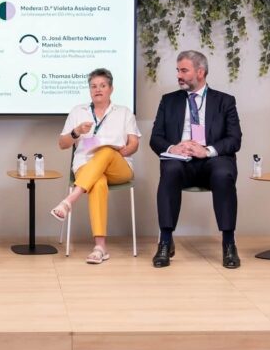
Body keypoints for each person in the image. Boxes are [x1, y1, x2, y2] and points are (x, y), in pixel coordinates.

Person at [149, 50, 242, 269]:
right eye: (178, 70)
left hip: (212, 160)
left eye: (184, 70)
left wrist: (206, 150)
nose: (178, 75)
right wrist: (173, 147)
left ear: (200, 72)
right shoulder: (169, 101)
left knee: (223, 173)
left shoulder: (225, 101)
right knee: (169, 170)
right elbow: (156, 138)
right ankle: (165, 241)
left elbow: (234, 139)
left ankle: (229, 243)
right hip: (180, 161)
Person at [51, 69, 140, 264]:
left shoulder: (124, 112)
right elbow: (62, 144)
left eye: (102, 86)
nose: (97, 89)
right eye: (93, 86)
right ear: (89, 90)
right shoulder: (78, 111)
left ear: (111, 89)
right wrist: (76, 132)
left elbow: (134, 143)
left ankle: (70, 200)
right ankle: (100, 248)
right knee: (98, 182)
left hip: (118, 166)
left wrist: (120, 150)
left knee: (106, 151)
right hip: (85, 166)